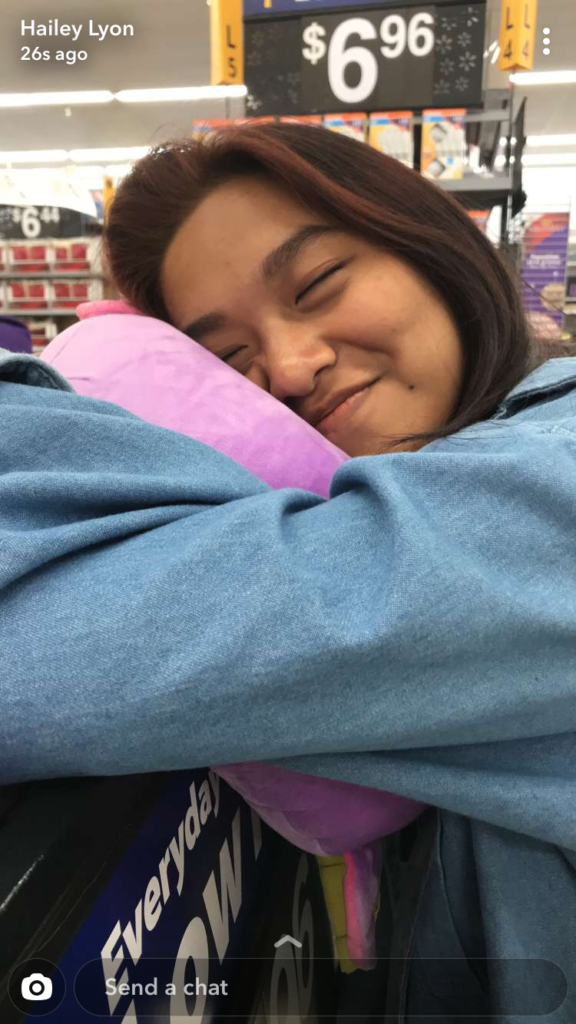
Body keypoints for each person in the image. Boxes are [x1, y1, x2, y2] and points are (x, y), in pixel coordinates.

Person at [2, 122, 575, 1020]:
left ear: (433, 247)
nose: (292, 368)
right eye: (229, 359)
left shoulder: (549, 496)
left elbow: (50, 664)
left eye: (318, 284)